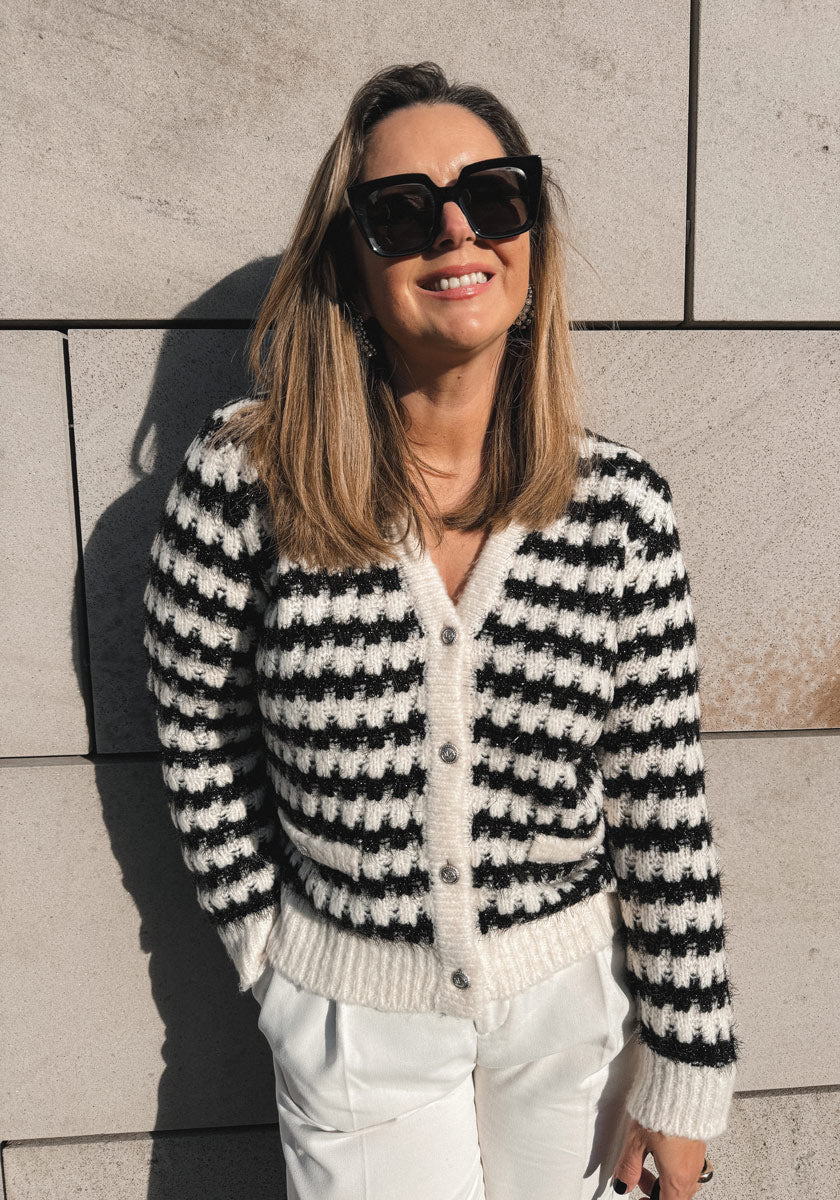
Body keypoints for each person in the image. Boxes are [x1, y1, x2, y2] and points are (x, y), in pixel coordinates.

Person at [142, 61, 738, 1200]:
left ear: (532, 236)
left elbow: (661, 799)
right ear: (353, 261)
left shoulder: (618, 510)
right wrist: (272, 960)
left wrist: (687, 1068)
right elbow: (199, 738)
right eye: (403, 210)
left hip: (577, 1021)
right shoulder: (245, 486)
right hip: (355, 1032)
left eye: (494, 195)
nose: (456, 228)